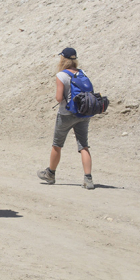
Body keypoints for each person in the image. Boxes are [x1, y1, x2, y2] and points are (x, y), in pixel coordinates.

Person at [37, 47, 95, 189]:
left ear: (63, 59)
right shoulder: (83, 73)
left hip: (66, 115)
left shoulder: (61, 75)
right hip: (83, 114)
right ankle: (88, 179)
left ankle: (50, 173)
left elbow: (58, 98)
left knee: (57, 145)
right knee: (83, 146)